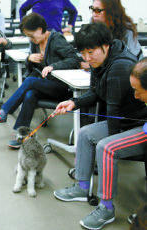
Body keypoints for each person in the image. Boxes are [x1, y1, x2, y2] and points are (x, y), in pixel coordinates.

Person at [53, 24, 147, 230]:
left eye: (91, 52)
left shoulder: (120, 66)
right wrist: (74, 103)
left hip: (139, 125)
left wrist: (111, 142)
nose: (87, 58)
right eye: (83, 53)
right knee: (86, 133)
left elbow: (112, 109)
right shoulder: (99, 62)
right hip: (124, 122)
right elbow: (95, 92)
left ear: (106, 45)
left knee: (106, 147)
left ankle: (106, 207)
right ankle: (82, 186)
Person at [0, 13, 80, 148]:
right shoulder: (36, 42)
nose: (30, 38)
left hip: (62, 87)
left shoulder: (56, 39)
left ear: (40, 29)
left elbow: (74, 59)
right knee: (30, 94)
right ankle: (22, 134)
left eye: (31, 35)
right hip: (48, 84)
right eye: (28, 36)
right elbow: (32, 68)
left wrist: (53, 66)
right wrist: (29, 59)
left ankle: (3, 113)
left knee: (30, 82)